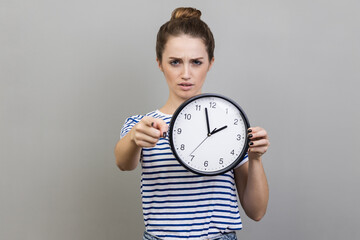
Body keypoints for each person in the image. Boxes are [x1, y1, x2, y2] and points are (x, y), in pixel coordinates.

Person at [114, 7, 269, 240]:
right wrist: (136, 138)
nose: (186, 73)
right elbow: (124, 163)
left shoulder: (231, 125)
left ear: (210, 63)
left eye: (196, 62)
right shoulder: (142, 125)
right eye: (175, 62)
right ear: (159, 63)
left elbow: (256, 211)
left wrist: (255, 157)